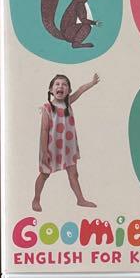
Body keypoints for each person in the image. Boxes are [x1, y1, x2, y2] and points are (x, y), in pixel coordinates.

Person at [32, 73, 100, 212]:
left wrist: (92, 83)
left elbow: (80, 90)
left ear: (68, 90)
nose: (61, 86)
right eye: (57, 84)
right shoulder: (47, 108)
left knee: (74, 174)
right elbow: (44, 131)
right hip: (51, 148)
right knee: (44, 174)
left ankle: (80, 199)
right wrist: (44, 152)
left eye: (64, 84)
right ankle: (36, 199)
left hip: (68, 148)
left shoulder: (68, 103)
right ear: (51, 89)